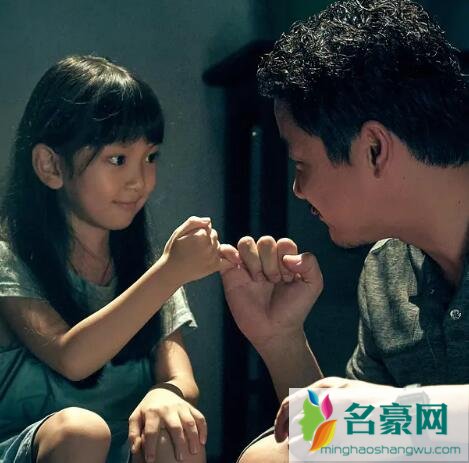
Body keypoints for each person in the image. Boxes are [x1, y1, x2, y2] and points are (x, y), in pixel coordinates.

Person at [219, 0, 469, 461]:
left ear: (374, 148)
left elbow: (378, 424)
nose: (297, 190)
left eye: (301, 165)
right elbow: (340, 444)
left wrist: (394, 411)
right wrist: (280, 338)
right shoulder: (387, 270)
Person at [0, 55, 229, 463]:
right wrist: (171, 272)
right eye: (118, 159)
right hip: (36, 446)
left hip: (126, 449)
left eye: (150, 157)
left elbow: (181, 377)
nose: (140, 181)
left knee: (177, 433)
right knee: (81, 431)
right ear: (50, 165)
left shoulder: (147, 266)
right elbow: (72, 358)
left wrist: (166, 394)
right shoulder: (9, 258)